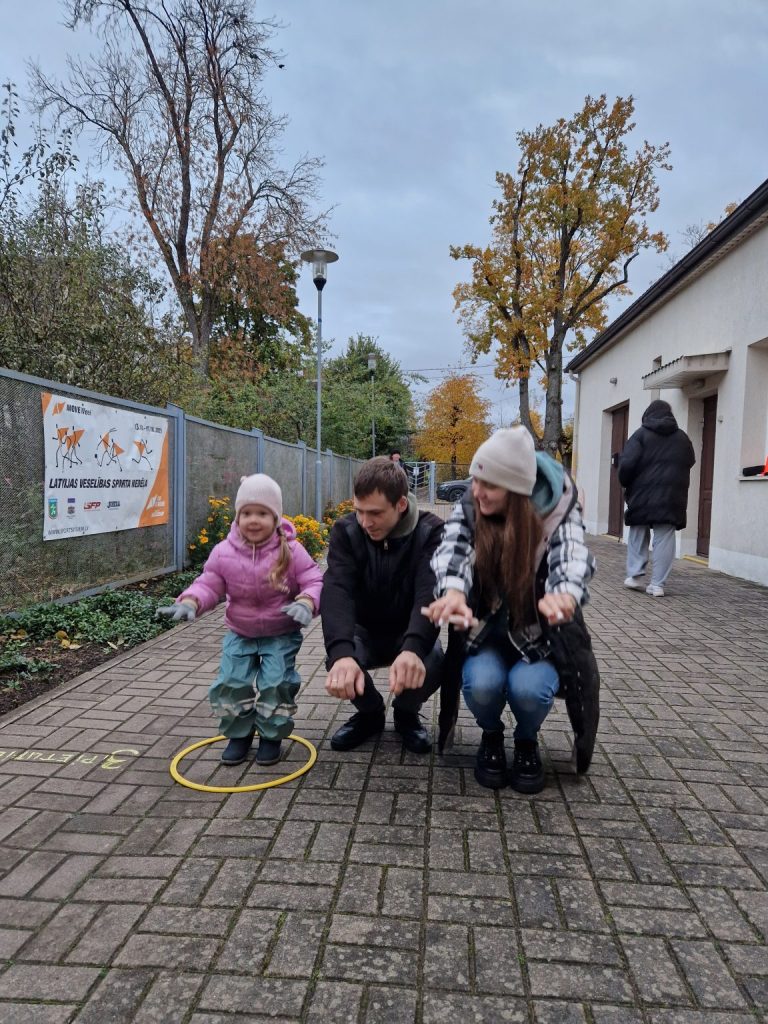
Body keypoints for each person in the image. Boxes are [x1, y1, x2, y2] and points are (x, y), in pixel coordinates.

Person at [423, 427, 595, 793]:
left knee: (528, 690)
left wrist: (565, 594)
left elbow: (573, 556)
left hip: (537, 636)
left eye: (490, 484)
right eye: (476, 480)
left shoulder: (558, 509)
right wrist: (453, 590)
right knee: (482, 684)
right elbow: (452, 549)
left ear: (517, 490)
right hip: (485, 633)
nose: (477, 491)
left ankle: (527, 740)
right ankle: (491, 736)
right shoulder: (472, 503)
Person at [156, 474, 323, 767]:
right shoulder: (224, 552)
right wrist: (191, 600)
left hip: (280, 633)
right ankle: (239, 733)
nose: (253, 520)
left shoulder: (291, 550)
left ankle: (271, 735)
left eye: (262, 513)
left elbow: (313, 579)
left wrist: (307, 601)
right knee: (231, 684)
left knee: (276, 684)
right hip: (240, 632)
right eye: (246, 513)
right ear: (237, 517)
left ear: (275, 517)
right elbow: (209, 583)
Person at [321, 457, 444, 753]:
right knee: (338, 659)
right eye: (359, 511)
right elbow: (337, 590)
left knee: (434, 660)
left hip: (407, 630)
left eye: (375, 513)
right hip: (364, 631)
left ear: (400, 504)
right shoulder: (346, 531)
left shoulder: (431, 531)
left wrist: (413, 647)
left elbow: (429, 592)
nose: (365, 522)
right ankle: (370, 713)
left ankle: (406, 714)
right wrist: (341, 652)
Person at [619, 399, 695, 597]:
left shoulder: (640, 435)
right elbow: (690, 461)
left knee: (638, 531)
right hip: (671, 497)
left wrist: (625, 481)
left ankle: (635, 576)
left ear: (647, 415)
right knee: (665, 536)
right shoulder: (682, 438)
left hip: (642, 494)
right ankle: (657, 585)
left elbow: (626, 465)